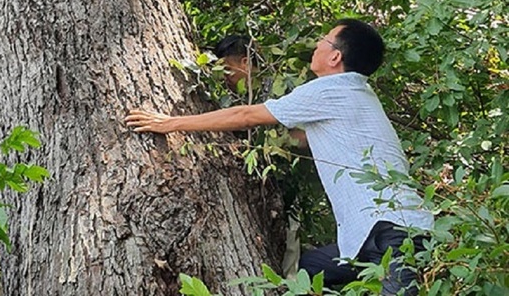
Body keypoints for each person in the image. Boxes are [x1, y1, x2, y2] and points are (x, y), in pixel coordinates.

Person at [126, 19, 433, 295]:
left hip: (394, 231)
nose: (316, 45)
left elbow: (246, 114)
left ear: (335, 56)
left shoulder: (329, 90)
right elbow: (306, 138)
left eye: (324, 40)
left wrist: (169, 123)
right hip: (369, 234)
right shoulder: (357, 94)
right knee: (304, 272)